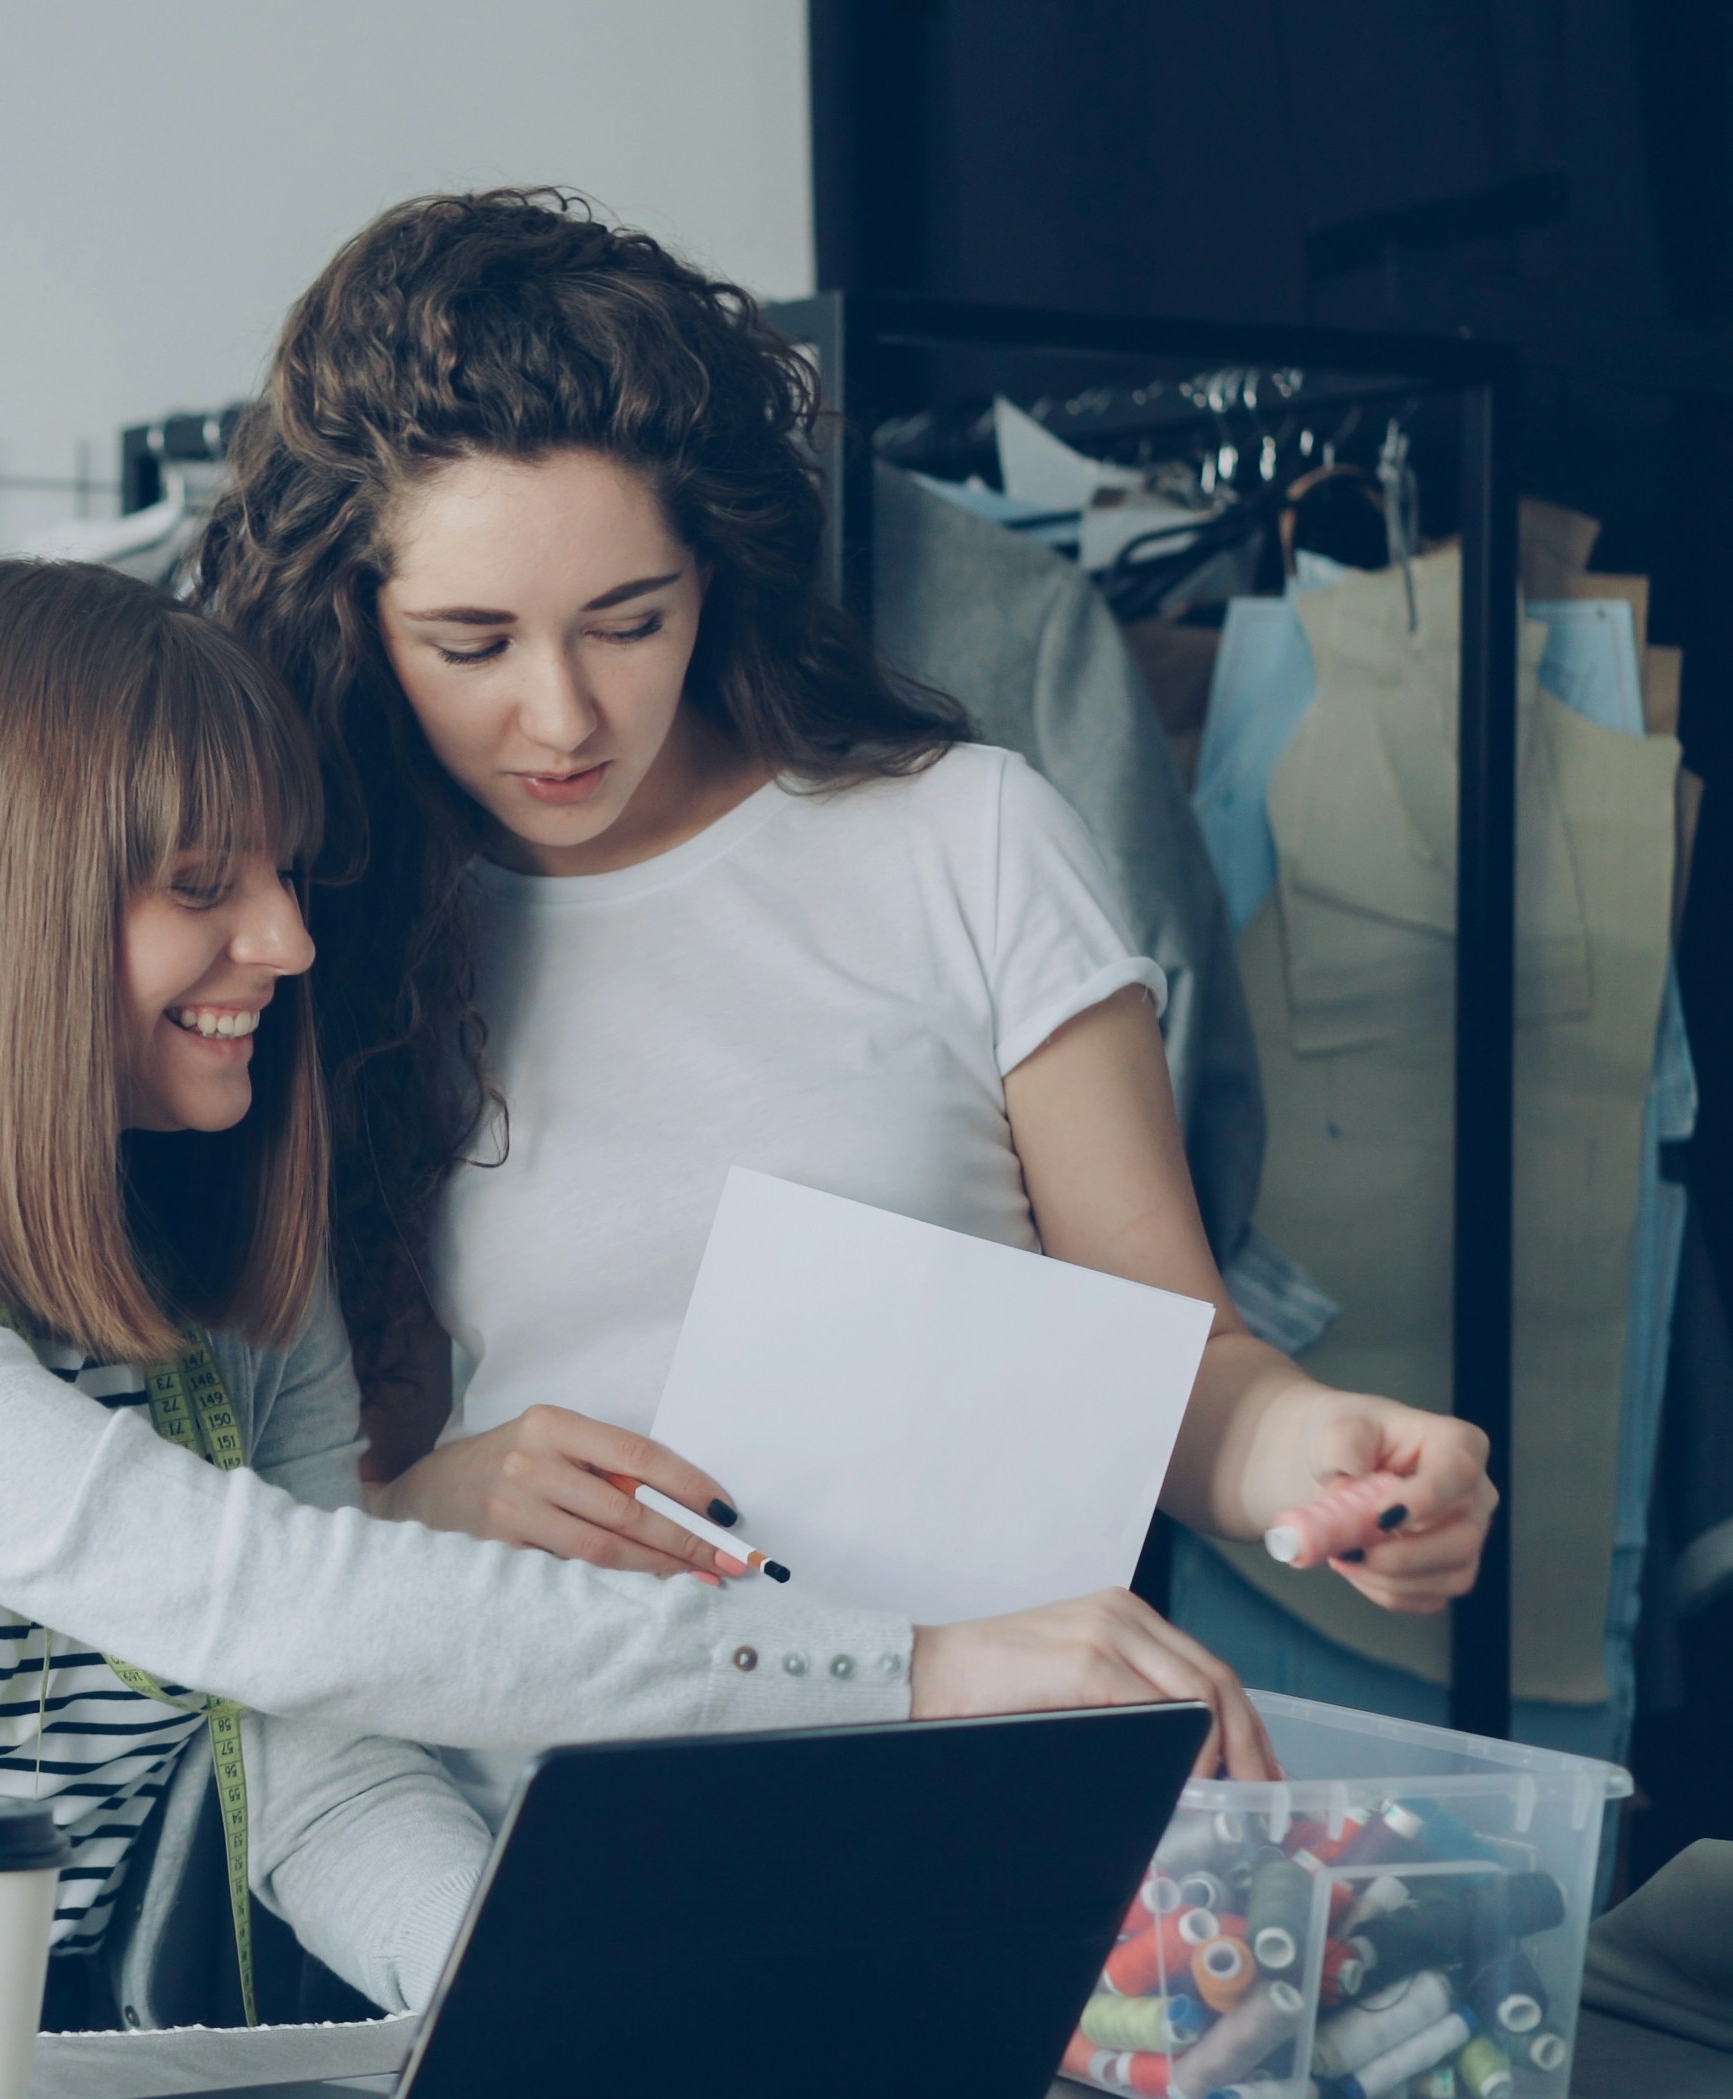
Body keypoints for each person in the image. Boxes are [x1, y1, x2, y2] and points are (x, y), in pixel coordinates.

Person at [0, 558, 1266, 2062]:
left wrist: (550, 2021)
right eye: (204, 887)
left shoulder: (219, 1238)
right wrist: (913, 1666)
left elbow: (318, 1745)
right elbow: (245, 1593)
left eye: (280, 871)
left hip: (29, 2057)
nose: (287, 940)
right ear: (8, 901)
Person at [193, 191, 1495, 1633]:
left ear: (719, 574)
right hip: (544, 1782)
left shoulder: (966, 838)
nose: (559, 715)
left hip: (952, 1772)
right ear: (358, 614)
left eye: (631, 621)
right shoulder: (329, 936)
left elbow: (1178, 1376)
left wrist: (1320, 1454)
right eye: (472, 642)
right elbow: (322, 1501)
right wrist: (426, 1502)